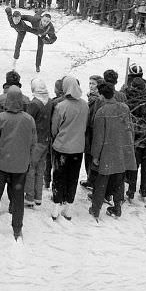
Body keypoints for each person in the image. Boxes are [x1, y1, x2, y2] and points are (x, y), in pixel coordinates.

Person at [0, 86, 37, 239]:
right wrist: (29, 161)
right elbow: (33, 143)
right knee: (18, 198)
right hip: (20, 167)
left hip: (1, 165)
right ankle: (17, 228)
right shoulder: (29, 120)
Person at [89, 82, 136, 219]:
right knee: (119, 180)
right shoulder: (124, 108)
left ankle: (95, 208)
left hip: (107, 151)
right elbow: (130, 129)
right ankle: (117, 207)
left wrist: (96, 156)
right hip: (122, 150)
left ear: (102, 95)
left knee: (101, 182)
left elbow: (98, 137)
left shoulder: (101, 112)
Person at [50, 75, 89, 220]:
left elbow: (55, 128)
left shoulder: (61, 106)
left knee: (58, 177)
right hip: (78, 149)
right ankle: (69, 207)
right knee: (73, 177)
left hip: (61, 148)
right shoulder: (84, 105)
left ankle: (56, 207)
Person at [24, 79, 52, 208]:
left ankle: (29, 197)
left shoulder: (34, 103)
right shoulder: (49, 102)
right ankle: (38, 197)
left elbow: (28, 122)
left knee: (30, 168)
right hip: (46, 140)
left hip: (35, 141)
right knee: (40, 169)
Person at [5, 7, 57, 73]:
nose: (45, 23)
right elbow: (25, 17)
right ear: (41, 19)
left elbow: (54, 38)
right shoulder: (35, 19)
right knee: (37, 15)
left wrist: (48, 41)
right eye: (44, 21)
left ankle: (37, 65)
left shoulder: (50, 27)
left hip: (42, 34)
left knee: (40, 48)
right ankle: (41, 10)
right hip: (35, 28)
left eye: (47, 22)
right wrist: (18, 18)